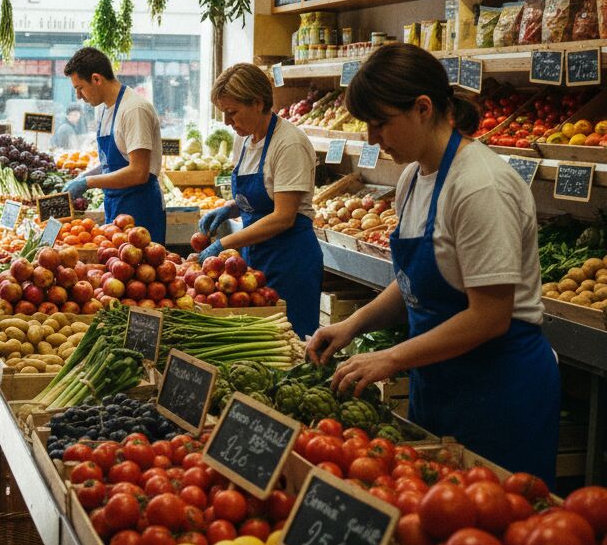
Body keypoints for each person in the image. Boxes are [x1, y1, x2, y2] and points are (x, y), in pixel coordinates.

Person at [306, 44, 559, 483]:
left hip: (498, 391)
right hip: (438, 383)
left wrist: (392, 357)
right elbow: (414, 282)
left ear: (423, 108)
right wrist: (353, 325)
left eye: (380, 122)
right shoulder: (412, 178)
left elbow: (489, 316)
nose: (371, 138)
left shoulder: (479, 186)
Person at [198, 63, 323, 339]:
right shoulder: (244, 140)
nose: (227, 122)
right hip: (253, 258)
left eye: (232, 112)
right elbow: (261, 195)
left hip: (289, 260)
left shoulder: (289, 143)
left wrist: (223, 244)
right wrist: (230, 208)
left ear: (257, 103)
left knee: (289, 342)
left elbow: (283, 216)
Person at [62, 47, 166, 244]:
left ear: (96, 79)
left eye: (80, 88)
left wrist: (88, 183)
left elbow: (138, 172)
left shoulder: (134, 109)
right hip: (115, 205)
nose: (78, 96)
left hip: (140, 209)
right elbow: (111, 163)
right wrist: (83, 177)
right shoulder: (105, 109)